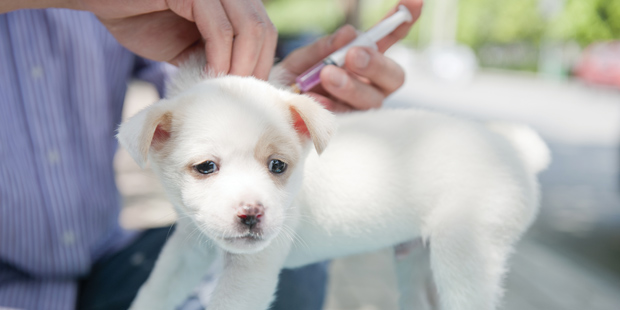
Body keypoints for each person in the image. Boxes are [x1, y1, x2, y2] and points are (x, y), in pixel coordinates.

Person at [0, 0, 423, 309]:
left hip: (107, 258)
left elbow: (198, 94)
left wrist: (269, 94)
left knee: (284, 232)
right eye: (206, 168)